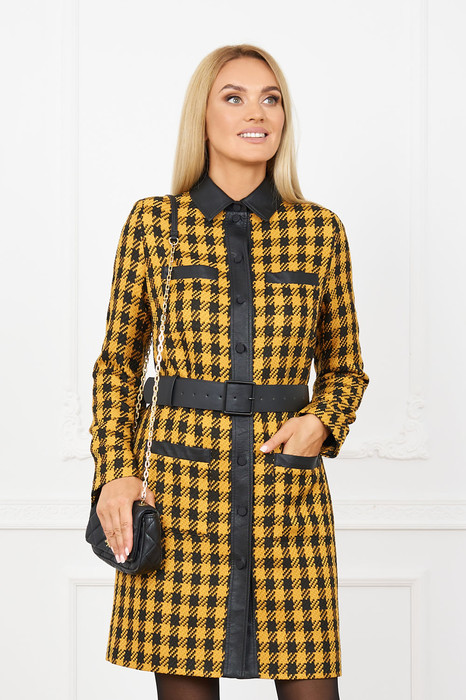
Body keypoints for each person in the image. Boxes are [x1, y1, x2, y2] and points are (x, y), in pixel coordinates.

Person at [89, 44, 369, 700]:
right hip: (181, 493)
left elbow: (345, 368)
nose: (257, 112)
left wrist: (320, 423)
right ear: (204, 116)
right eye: (235, 97)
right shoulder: (154, 224)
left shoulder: (320, 232)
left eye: (271, 99)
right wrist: (116, 471)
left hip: (285, 499)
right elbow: (118, 363)